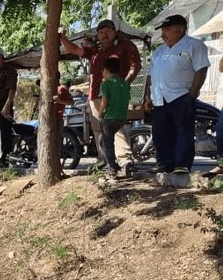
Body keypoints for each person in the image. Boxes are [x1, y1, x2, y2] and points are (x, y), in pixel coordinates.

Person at [60, 19, 141, 165]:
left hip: (116, 96)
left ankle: (125, 160)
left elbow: (135, 66)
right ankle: (105, 160)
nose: (105, 35)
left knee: (116, 126)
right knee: (98, 128)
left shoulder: (125, 45)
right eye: (101, 32)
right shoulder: (94, 50)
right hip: (95, 96)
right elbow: (73, 49)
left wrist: (124, 84)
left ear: (114, 32)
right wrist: (61, 37)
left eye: (108, 31)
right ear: (97, 35)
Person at [143, 14, 210, 174]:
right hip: (159, 97)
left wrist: (192, 93)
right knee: (160, 132)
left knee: (183, 131)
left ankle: (182, 164)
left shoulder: (194, 45)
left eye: (167, 29)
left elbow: (201, 69)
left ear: (179, 30)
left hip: (181, 96)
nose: (163, 33)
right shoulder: (159, 51)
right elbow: (150, 74)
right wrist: (146, 96)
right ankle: (164, 163)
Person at [99, 58, 131, 180]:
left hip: (109, 117)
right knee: (103, 141)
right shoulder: (124, 83)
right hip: (121, 117)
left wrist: (100, 113)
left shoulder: (106, 83)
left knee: (107, 143)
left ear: (105, 70)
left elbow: (104, 101)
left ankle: (111, 170)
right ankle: (113, 165)